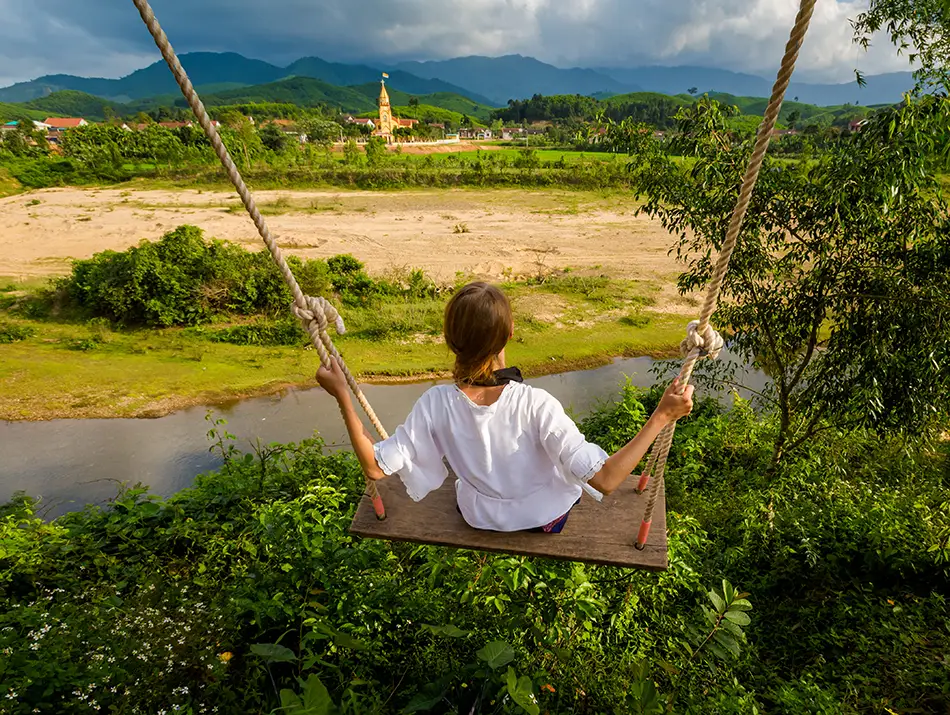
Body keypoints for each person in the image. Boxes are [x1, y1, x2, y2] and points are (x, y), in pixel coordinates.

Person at [317, 282, 694, 533]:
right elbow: (608, 481)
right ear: (511, 332)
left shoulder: (435, 403)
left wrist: (343, 397)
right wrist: (661, 415)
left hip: (478, 517)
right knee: (563, 487)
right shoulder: (535, 405)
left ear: (450, 342)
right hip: (546, 518)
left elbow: (373, 465)